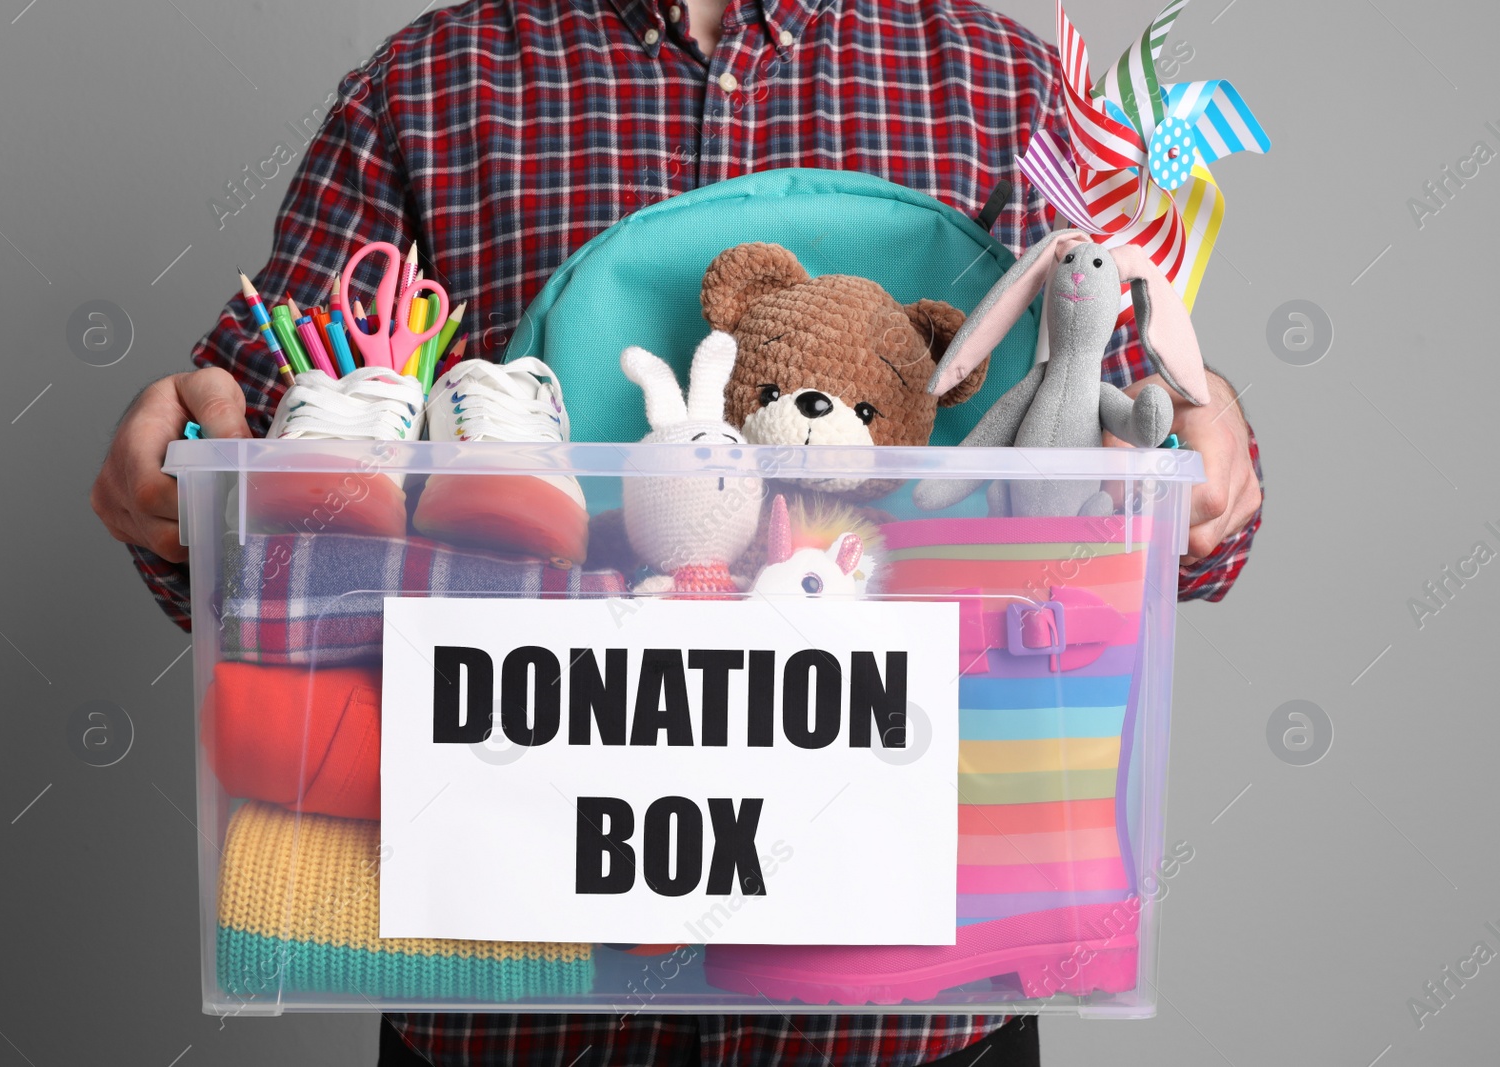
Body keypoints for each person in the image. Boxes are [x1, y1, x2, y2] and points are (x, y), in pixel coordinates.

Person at [91, 1, 1263, 1063]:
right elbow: (262, 548)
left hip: (913, 1002)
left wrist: (1206, 449)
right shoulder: (427, 85)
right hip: (509, 999)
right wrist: (180, 476)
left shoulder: (1006, 88)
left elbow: (1113, 467)